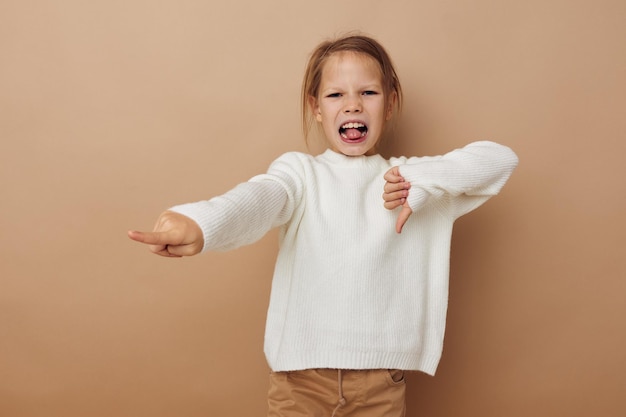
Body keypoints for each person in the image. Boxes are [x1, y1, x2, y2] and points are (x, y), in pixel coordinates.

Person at [128, 34, 518, 417]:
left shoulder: (410, 186)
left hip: (380, 385)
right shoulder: (301, 174)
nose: (352, 105)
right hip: (299, 383)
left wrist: (419, 176)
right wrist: (202, 222)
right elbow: (259, 199)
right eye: (336, 95)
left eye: (368, 93)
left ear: (390, 104)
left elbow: (500, 160)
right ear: (316, 107)